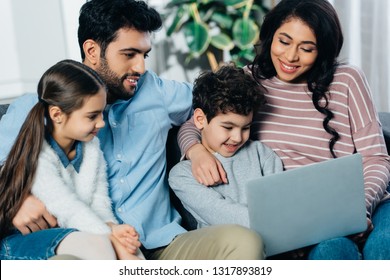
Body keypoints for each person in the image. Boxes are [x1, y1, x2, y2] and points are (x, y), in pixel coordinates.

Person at [0, 0, 263, 260]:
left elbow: (218, 104)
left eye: (144, 54)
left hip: (162, 243)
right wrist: (16, 204)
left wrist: (193, 148)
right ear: (92, 50)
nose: (141, 67)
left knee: (243, 241)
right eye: (129, 54)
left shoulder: (157, 91)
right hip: (90, 246)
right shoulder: (40, 106)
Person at [178, 0, 390, 260]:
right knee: (332, 252)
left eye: (307, 48)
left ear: (322, 50)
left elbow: (376, 158)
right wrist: (195, 150)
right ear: (270, 37)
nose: (290, 57)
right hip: (306, 216)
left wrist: (360, 208)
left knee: (383, 249)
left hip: (367, 202)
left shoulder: (347, 80)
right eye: (284, 41)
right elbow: (195, 122)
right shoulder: (251, 79)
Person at [0, 59, 143, 260]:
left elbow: (99, 202)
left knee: (130, 248)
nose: (101, 123)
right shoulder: (39, 154)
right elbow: (67, 209)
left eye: (101, 113)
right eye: (92, 116)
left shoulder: (92, 150)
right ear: (57, 115)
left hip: (71, 230)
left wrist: (112, 227)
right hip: (19, 243)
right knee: (100, 245)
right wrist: (109, 235)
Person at [169, 64, 283, 235]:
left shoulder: (261, 154)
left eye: (245, 128)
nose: (238, 137)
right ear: (200, 119)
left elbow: (279, 203)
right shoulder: (182, 175)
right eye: (228, 127)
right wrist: (279, 226)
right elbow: (223, 217)